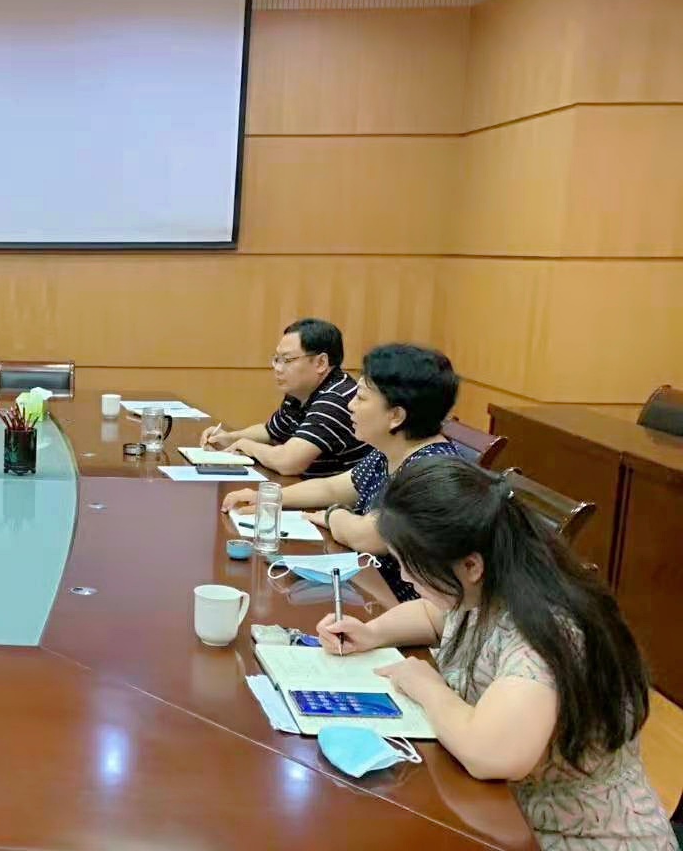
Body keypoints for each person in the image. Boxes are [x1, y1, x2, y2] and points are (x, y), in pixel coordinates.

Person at [316, 457, 674, 850]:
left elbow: (491, 754)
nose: (404, 578)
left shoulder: (549, 633)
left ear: (470, 565)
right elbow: (433, 615)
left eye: (411, 567)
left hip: (576, 835)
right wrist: (373, 633)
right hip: (507, 816)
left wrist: (427, 686)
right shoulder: (493, 582)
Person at [222, 343, 462, 602]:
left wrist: (333, 514)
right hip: (368, 586)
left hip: (404, 607)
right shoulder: (390, 451)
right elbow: (333, 487)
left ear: (396, 415)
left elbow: (367, 536)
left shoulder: (433, 470)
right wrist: (269, 497)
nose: (350, 405)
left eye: (361, 397)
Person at [202, 318, 368, 477]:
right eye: (277, 359)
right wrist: (229, 438)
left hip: (335, 496)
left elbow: (288, 462)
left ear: (321, 363)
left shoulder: (336, 398)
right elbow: (271, 431)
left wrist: (247, 446)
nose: (278, 369)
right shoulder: (300, 392)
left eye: (287, 360)